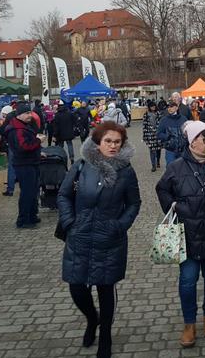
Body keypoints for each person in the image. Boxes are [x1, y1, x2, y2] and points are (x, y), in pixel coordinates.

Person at [58, 122, 141, 358]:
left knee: (106, 288)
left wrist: (120, 225)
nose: (113, 146)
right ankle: (91, 319)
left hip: (109, 238)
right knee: (77, 287)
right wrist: (69, 222)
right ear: (97, 143)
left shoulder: (126, 170)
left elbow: (134, 203)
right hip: (80, 235)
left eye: (117, 142)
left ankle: (105, 333)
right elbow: (64, 195)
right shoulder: (81, 166)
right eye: (108, 141)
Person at [156, 121, 205, 348]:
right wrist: (175, 206)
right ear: (192, 141)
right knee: (188, 281)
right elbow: (162, 189)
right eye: (204, 139)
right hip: (187, 234)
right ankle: (189, 323)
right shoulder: (176, 167)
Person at [5, 103, 42, 229]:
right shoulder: (17, 129)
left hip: (30, 162)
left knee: (32, 191)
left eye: (30, 113)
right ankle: (24, 219)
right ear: (19, 115)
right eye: (27, 113)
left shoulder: (24, 126)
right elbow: (24, 147)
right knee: (27, 192)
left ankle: (32, 215)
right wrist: (38, 141)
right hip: (24, 164)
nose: (29, 115)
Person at [157, 100, 188, 166]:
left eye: (171, 106)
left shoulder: (184, 119)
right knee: (171, 169)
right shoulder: (164, 120)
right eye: (168, 107)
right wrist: (167, 136)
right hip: (170, 150)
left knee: (183, 168)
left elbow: (188, 132)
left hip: (182, 149)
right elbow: (159, 134)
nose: (169, 108)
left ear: (176, 108)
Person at [142, 100, 163, 172]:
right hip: (149, 134)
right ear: (149, 107)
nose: (153, 107)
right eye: (151, 106)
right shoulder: (146, 114)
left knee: (158, 150)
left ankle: (158, 161)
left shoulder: (158, 114)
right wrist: (144, 136)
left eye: (154, 106)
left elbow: (161, 124)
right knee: (152, 150)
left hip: (158, 134)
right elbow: (144, 125)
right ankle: (153, 165)